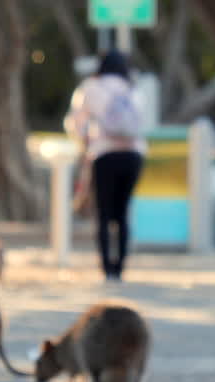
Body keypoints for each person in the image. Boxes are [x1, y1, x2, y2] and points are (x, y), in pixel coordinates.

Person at [65, 50, 146, 282]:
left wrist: (86, 142)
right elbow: (143, 121)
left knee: (103, 213)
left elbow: (75, 122)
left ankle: (106, 268)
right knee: (122, 213)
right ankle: (120, 266)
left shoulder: (91, 87)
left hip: (104, 154)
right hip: (133, 155)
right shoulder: (133, 88)